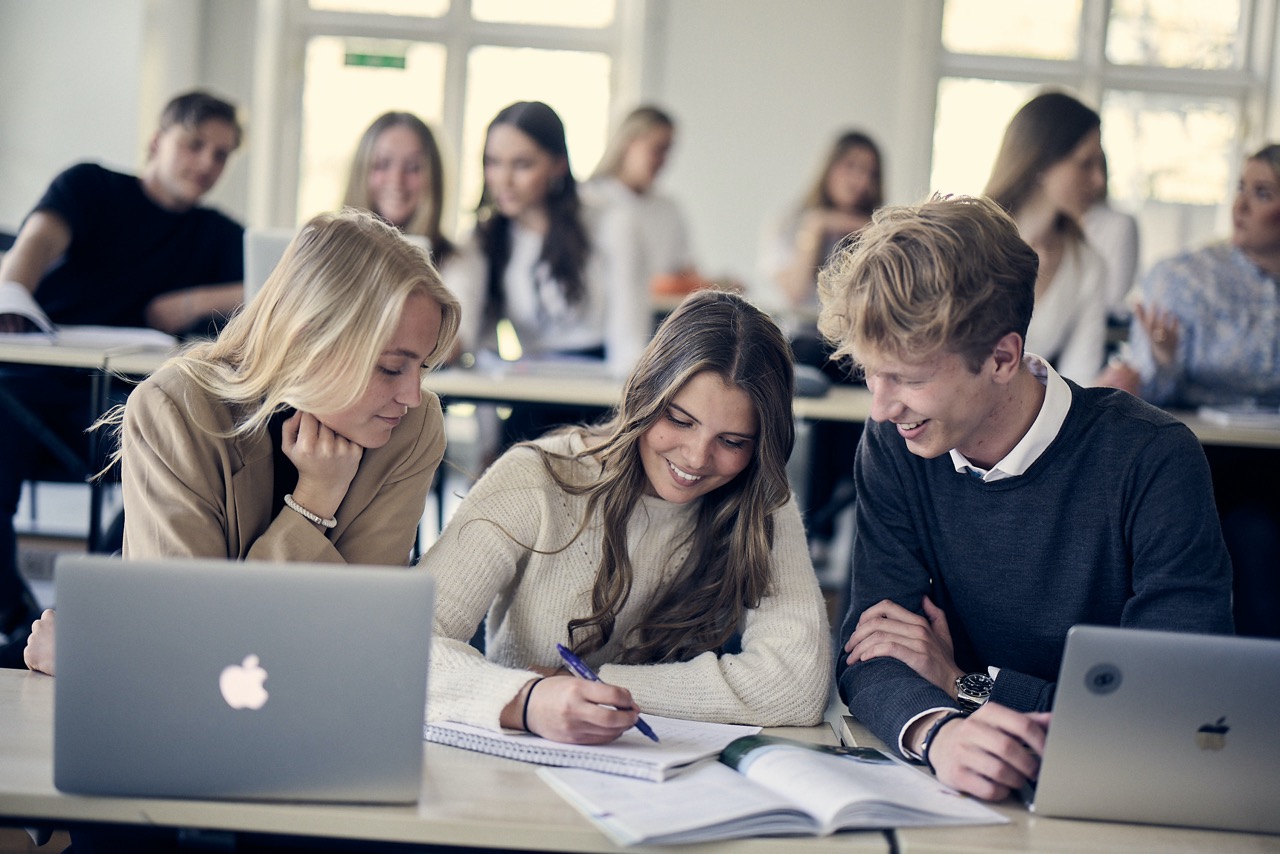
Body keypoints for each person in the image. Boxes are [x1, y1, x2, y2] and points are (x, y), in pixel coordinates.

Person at [817, 195, 1233, 801]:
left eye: (908, 378)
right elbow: (872, 650)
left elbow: (1170, 712)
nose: (881, 408)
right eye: (871, 374)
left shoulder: (1153, 460)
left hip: (1117, 798)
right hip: (961, 792)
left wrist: (969, 684)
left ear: (1002, 358)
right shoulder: (895, 442)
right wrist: (940, 735)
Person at [23, 209, 461, 676]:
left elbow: (357, 637)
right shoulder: (174, 410)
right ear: (309, 340)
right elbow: (187, 638)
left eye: (424, 366)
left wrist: (96, 653)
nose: (413, 394)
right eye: (392, 367)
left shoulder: (413, 429)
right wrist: (314, 502)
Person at [422, 289, 830, 744]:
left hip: (673, 776)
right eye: (679, 420)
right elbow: (406, 647)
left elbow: (797, 686)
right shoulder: (536, 478)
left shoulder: (762, 501)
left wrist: (594, 686)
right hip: (526, 758)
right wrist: (531, 699)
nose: (696, 458)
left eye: (733, 442)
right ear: (644, 395)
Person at [0, 90, 246, 659]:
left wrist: (185, 305)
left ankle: (81, 615)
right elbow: (34, 245)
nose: (207, 164)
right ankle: (18, 620)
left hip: (128, 400)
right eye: (194, 145)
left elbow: (279, 288)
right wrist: (12, 296)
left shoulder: (219, 235)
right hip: (33, 388)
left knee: (182, 444)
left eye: (221, 155)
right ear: (157, 141)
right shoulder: (90, 188)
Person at [1099, 143, 1280, 638]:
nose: (1240, 207)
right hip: (1203, 460)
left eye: (1261, 193)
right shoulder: (1185, 278)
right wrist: (1162, 360)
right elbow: (1139, 393)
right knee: (1255, 540)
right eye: (1240, 188)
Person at [443, 100, 647, 379]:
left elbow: (629, 345)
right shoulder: (486, 239)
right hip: (529, 388)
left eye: (523, 164)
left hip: (600, 393)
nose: (504, 180)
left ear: (558, 165)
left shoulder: (612, 223)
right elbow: (480, 346)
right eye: (493, 163)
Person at [761, 130, 884, 565]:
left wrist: (863, 229)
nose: (859, 180)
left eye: (869, 171)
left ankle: (822, 524)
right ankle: (801, 523)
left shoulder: (884, 233)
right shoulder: (795, 223)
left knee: (849, 416)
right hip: (810, 343)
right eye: (851, 167)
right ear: (829, 169)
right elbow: (795, 293)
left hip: (856, 347)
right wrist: (817, 229)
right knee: (809, 370)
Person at [985, 91, 1109, 384]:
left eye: (1100, 165)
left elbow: (1081, 380)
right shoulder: (969, 245)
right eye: (1085, 163)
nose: (1099, 181)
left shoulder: (1088, 265)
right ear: (1041, 161)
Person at [581, 104, 702, 298]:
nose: (663, 160)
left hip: (661, 318)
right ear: (628, 143)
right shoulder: (589, 199)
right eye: (657, 149)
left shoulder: (669, 209)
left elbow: (686, 272)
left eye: (668, 151)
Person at [342, 111, 456, 264]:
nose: (396, 180)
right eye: (382, 164)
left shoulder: (457, 268)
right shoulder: (328, 251)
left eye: (412, 167)